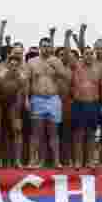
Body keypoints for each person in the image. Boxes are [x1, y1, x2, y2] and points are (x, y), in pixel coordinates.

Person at [62, 31, 102, 168]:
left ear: (93, 55)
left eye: (91, 53)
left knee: (91, 134)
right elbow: (67, 54)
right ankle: (78, 161)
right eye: (86, 53)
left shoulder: (99, 68)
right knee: (78, 134)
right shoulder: (77, 65)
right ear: (82, 55)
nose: (89, 55)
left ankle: (90, 160)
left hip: (93, 104)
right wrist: (67, 38)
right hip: (79, 104)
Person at [27, 37, 69, 167]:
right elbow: (27, 82)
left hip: (53, 99)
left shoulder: (56, 61)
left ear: (51, 47)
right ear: (40, 47)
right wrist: (26, 99)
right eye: (44, 46)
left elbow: (65, 77)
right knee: (36, 132)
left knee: (53, 132)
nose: (46, 48)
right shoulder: (32, 62)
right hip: (37, 98)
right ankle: (34, 160)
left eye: (48, 46)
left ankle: (56, 161)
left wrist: (56, 67)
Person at [0, 51, 28, 166]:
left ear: (19, 65)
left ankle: (17, 160)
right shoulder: (0, 77)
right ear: (8, 65)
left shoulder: (22, 78)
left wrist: (17, 117)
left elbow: (21, 98)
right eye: (11, 65)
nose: (13, 67)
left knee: (17, 130)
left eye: (16, 65)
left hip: (13, 103)